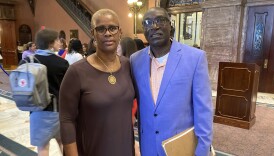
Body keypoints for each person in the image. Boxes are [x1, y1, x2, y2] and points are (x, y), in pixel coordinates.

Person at [130, 7, 213, 156]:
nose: (154, 27)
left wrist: (202, 151)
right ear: (144, 29)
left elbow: (204, 111)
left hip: (181, 147)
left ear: (171, 25)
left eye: (160, 21)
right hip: (148, 146)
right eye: (148, 22)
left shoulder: (195, 58)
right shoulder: (135, 60)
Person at [59, 9, 135, 156]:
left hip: (124, 148)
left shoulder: (128, 66)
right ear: (93, 33)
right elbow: (66, 120)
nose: (108, 33)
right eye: (101, 29)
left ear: (120, 32)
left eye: (112, 28)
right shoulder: (76, 72)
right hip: (93, 149)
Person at [20, 28, 69, 156]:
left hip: (36, 111)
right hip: (58, 111)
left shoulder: (27, 60)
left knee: (43, 148)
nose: (60, 42)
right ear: (51, 43)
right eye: (58, 40)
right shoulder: (62, 63)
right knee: (64, 144)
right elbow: (68, 88)